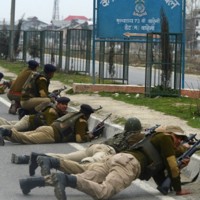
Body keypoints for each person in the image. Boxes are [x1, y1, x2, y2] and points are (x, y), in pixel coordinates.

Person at [19, 125, 191, 199]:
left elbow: (161, 183)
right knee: (103, 193)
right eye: (179, 138)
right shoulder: (165, 138)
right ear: (171, 134)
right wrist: (179, 189)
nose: (178, 141)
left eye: (181, 140)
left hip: (118, 158)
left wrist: (176, 170)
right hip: (129, 164)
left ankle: (31, 182)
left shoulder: (155, 144)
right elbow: (172, 166)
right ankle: (66, 179)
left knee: (85, 176)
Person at [11, 118, 145, 175]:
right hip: (107, 151)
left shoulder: (121, 134)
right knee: (88, 164)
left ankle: (33, 157)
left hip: (95, 147)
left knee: (66, 157)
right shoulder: (138, 136)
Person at [0, 104, 96, 146]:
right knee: (26, 139)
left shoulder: (72, 114)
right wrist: (89, 136)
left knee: (25, 136)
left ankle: (5, 134)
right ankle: (5, 132)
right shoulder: (82, 120)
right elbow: (79, 138)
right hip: (51, 135)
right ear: (87, 114)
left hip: (48, 129)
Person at [0, 96, 70, 131]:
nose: (65, 106)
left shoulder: (60, 112)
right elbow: (51, 127)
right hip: (28, 122)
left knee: (7, 123)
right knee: (13, 129)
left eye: (66, 104)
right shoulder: (52, 112)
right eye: (63, 104)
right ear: (58, 104)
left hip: (30, 120)